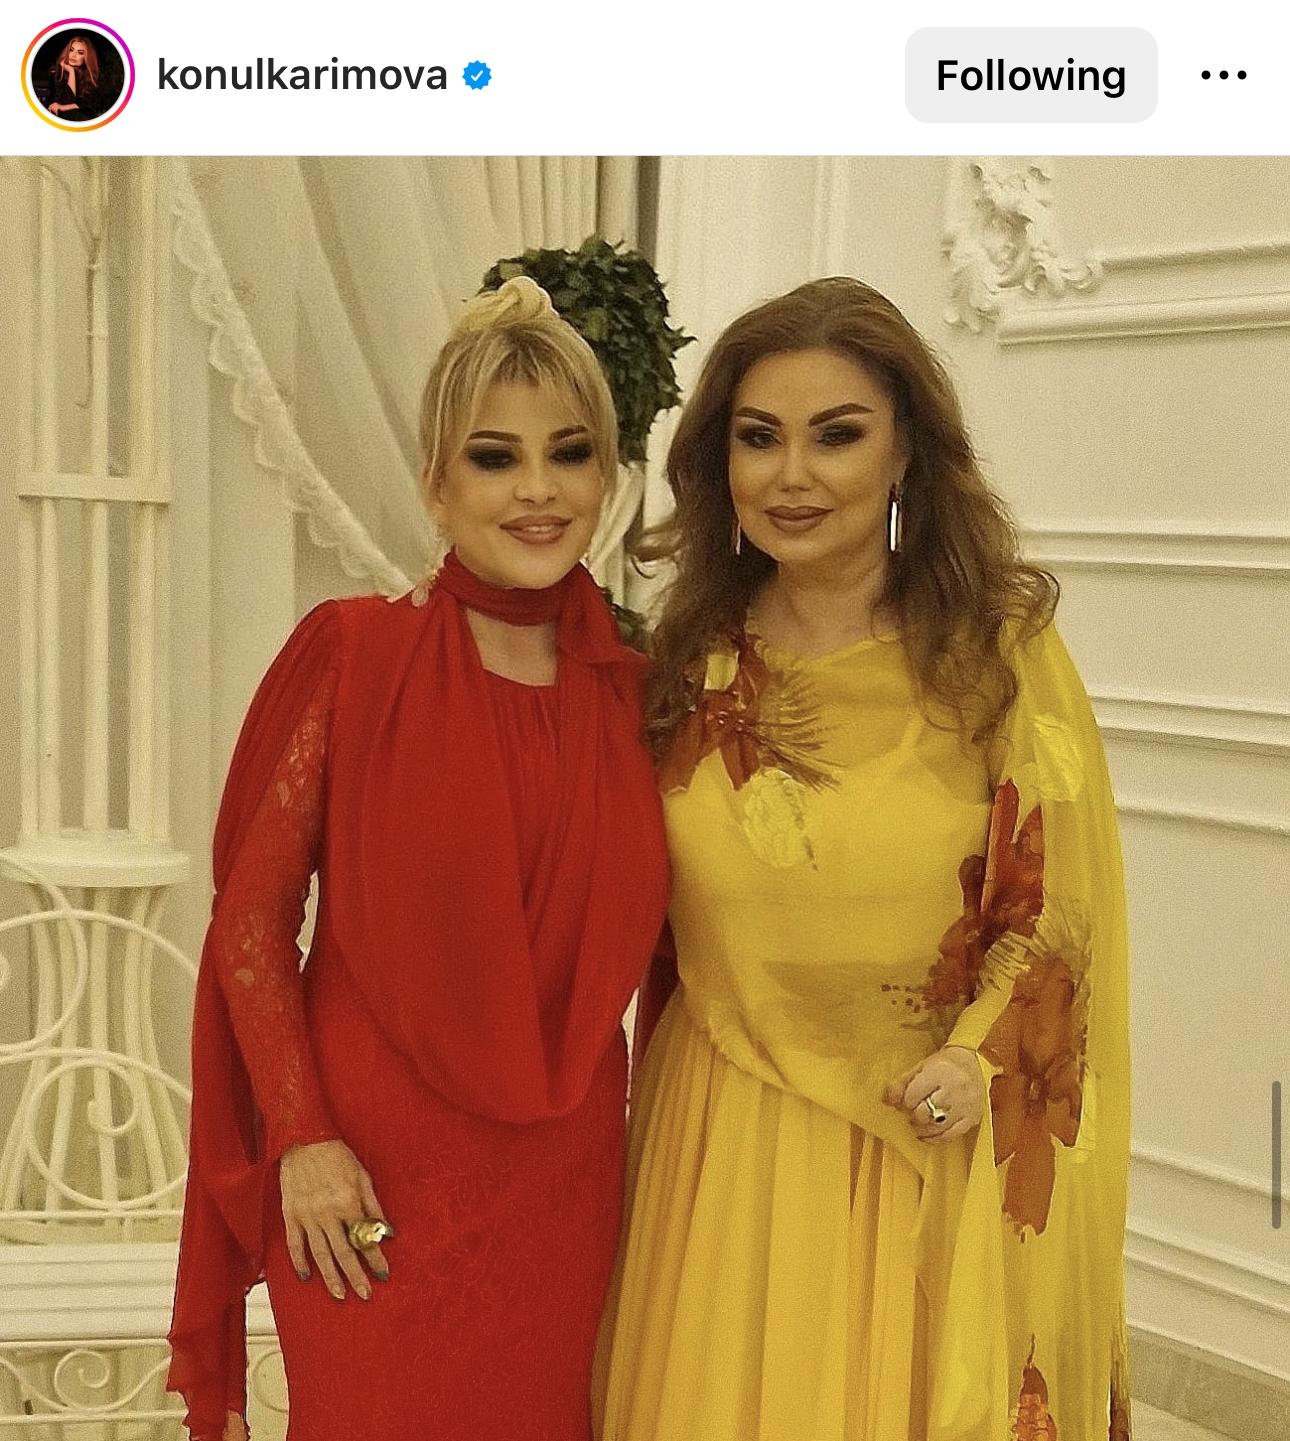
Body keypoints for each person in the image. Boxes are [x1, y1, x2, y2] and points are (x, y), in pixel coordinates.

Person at [594, 277, 1131, 1441]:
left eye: (836, 435)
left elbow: (1058, 911)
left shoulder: (997, 652)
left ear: (906, 457)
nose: (792, 474)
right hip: (722, 1129)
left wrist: (977, 1058)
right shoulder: (692, 661)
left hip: (917, 1133)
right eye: (759, 437)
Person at [167, 276, 671, 1441]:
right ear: (437, 486)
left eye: (570, 454)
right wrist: (302, 1138)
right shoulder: (353, 656)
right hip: (366, 1184)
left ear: (607, 478)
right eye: (496, 458)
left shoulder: (636, 702)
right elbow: (251, 922)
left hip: (565, 1192)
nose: (538, 489)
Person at [43, 35, 109, 121]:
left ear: (87, 57)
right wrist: (71, 72)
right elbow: (68, 101)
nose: (74, 55)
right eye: (71, 50)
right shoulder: (56, 72)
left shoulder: (90, 77)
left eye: (80, 53)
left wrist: (65, 107)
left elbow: (90, 105)